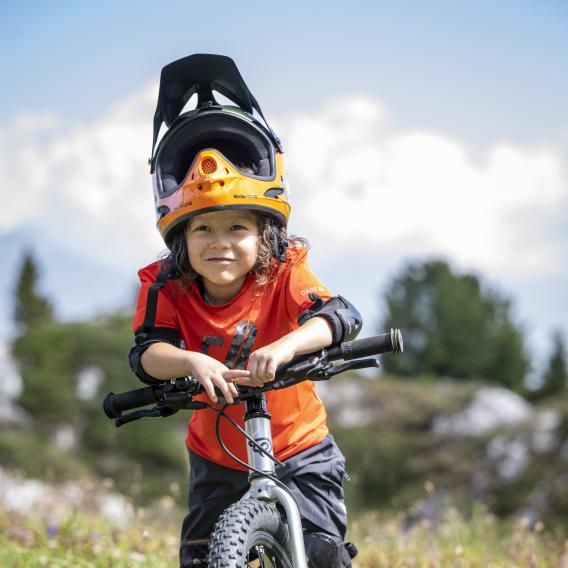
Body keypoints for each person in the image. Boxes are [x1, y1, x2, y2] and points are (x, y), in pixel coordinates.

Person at [129, 54, 361, 567]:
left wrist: (286, 345)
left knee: (323, 554)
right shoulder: (163, 283)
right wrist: (191, 362)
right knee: (200, 557)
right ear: (180, 239)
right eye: (203, 229)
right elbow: (147, 353)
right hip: (218, 458)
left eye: (238, 228)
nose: (221, 244)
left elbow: (337, 315)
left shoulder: (285, 270)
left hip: (299, 448)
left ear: (266, 235)